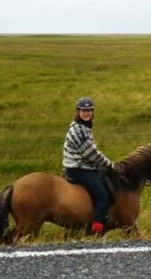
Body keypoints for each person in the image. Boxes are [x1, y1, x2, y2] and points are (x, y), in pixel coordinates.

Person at [63, 97, 114, 235]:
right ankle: (96, 228)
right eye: (84, 111)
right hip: (78, 168)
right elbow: (91, 153)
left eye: (89, 111)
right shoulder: (78, 130)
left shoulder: (83, 127)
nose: (87, 113)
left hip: (84, 165)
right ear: (78, 112)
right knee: (103, 197)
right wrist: (109, 164)